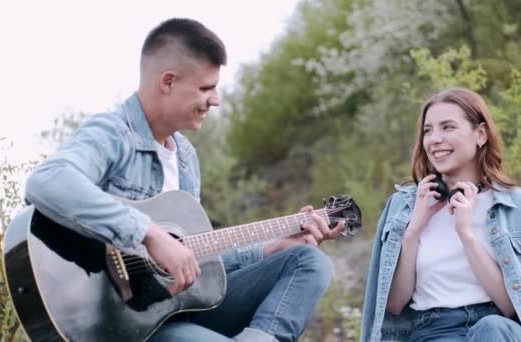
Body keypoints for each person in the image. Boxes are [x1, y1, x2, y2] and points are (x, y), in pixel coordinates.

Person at [24, 18, 344, 342]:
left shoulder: (186, 159)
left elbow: (193, 257)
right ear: (168, 82)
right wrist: (148, 233)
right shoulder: (114, 133)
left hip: (178, 310)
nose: (216, 100)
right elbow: (48, 180)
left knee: (309, 261)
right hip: (126, 325)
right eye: (206, 88)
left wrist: (270, 247)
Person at [360, 87, 521, 342]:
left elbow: (513, 306)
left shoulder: (519, 206)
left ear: (480, 134)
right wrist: (414, 229)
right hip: (432, 331)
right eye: (428, 130)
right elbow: (393, 305)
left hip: (498, 331)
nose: (434, 139)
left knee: (491, 329)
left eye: (448, 127)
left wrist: (465, 233)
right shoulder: (403, 206)